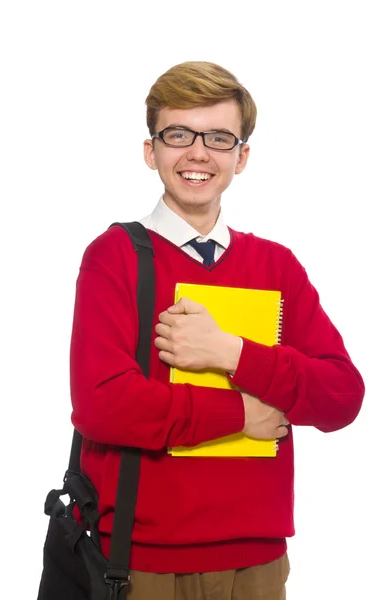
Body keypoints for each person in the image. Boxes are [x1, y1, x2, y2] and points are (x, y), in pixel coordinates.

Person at [69, 61, 365, 600]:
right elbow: (103, 405)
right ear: (151, 150)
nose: (198, 153)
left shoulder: (277, 265)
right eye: (178, 134)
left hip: (259, 561)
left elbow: (342, 396)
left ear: (241, 156)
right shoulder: (114, 256)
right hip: (141, 563)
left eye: (219, 138)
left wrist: (232, 353)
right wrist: (243, 416)